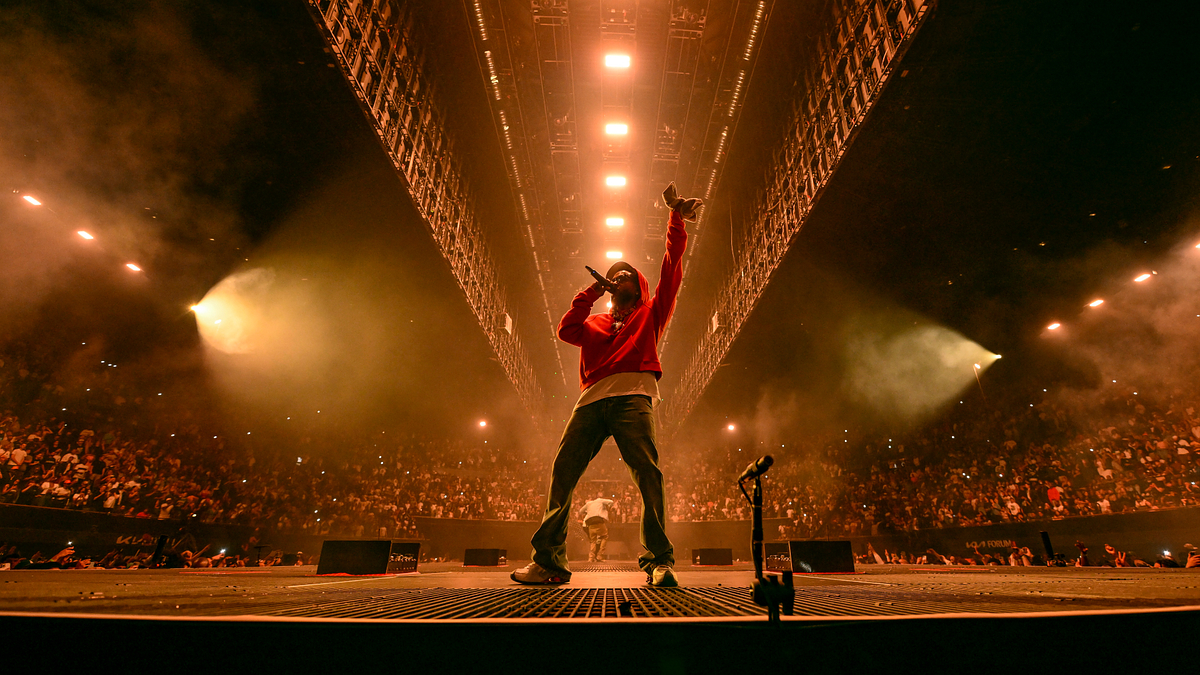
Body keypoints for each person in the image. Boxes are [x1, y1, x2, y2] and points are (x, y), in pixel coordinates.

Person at [512, 183, 701, 587]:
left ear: (639, 285)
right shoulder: (595, 322)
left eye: (626, 274)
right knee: (563, 472)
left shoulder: (651, 313)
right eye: (613, 276)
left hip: (634, 396)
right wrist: (591, 292)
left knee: (647, 474)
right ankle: (549, 563)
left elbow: (672, 266)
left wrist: (676, 219)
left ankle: (659, 561)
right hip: (590, 401)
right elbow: (566, 330)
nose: (619, 277)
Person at [579, 491, 615, 562]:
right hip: (598, 521)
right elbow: (611, 502)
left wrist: (588, 511)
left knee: (593, 541)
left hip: (590, 523)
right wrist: (609, 507)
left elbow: (580, 511)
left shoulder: (588, 503)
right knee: (604, 536)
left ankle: (591, 557)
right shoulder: (599, 500)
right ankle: (599, 555)